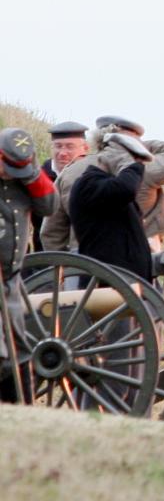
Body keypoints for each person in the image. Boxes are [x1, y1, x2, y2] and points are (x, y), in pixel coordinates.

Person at [40, 115, 164, 265]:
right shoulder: (143, 168)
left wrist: (64, 268)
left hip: (81, 262)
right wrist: (138, 146)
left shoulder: (70, 172)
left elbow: (52, 231)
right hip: (133, 260)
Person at [0, 128, 58, 401]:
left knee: (18, 348)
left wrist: (32, 173)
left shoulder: (26, 178)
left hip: (10, 278)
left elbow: (49, 206)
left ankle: (19, 407)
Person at [69, 132, 156, 281]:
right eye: (132, 159)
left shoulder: (110, 190)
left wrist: (154, 261)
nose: (136, 165)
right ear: (113, 156)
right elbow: (126, 188)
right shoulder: (88, 184)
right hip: (104, 285)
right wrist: (129, 165)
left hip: (126, 283)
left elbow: (127, 243)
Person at [32, 121, 88, 251]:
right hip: (43, 259)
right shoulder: (38, 178)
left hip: (84, 259)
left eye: (70, 146)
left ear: (85, 149)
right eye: (58, 146)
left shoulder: (91, 178)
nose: (62, 153)